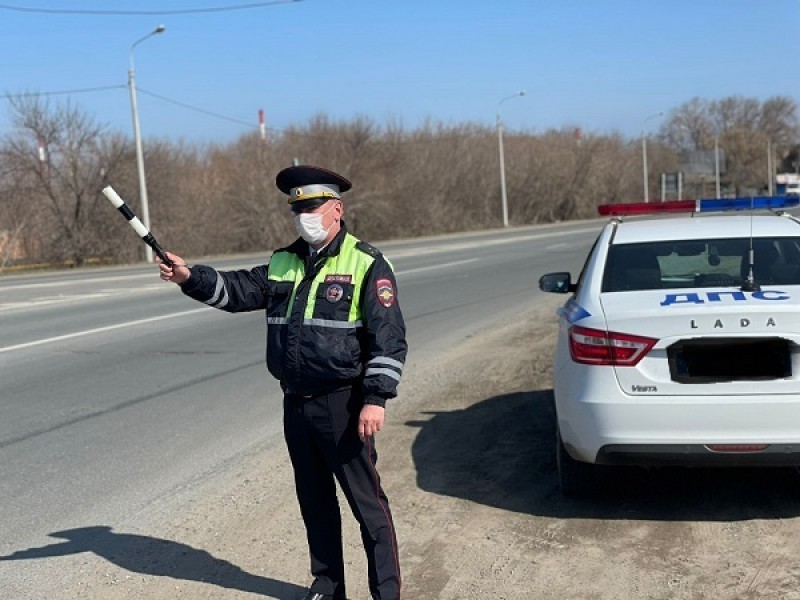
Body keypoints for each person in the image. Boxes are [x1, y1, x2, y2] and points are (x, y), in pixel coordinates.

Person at [159, 165, 407, 600]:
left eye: (312, 208)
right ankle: (328, 586)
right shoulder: (282, 262)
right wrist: (189, 277)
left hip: (344, 404)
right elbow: (235, 291)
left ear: (336, 209)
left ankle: (385, 593)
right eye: (298, 209)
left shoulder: (367, 262)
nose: (304, 217)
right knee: (315, 502)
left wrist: (376, 398)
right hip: (296, 403)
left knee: (367, 505)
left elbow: (388, 338)